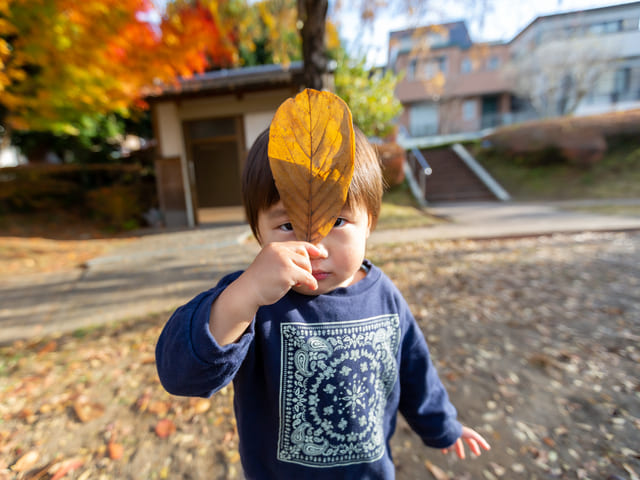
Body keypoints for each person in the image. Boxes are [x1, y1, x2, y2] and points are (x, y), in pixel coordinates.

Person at [155, 125, 490, 479]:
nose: (315, 248)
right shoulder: (254, 300)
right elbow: (181, 375)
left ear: (370, 223)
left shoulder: (385, 296)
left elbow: (414, 370)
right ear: (257, 231)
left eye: (339, 220)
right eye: (287, 226)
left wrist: (443, 426)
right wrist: (244, 295)